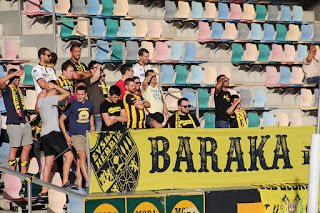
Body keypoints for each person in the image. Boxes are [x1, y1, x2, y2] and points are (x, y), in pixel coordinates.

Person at [37, 81, 77, 196]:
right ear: (53, 91)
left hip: (44, 135)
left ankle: (44, 190)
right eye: (56, 90)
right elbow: (67, 94)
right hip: (53, 133)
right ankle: (65, 181)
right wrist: (54, 86)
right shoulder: (50, 100)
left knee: (49, 163)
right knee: (69, 155)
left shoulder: (41, 101)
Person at [59, 86, 94, 188]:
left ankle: (79, 185)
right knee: (82, 154)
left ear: (86, 94)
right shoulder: (72, 105)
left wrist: (92, 129)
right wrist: (66, 135)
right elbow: (61, 120)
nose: (80, 97)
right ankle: (88, 180)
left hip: (87, 134)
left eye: (82, 94)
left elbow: (90, 116)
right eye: (78, 94)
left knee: (81, 160)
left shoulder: (90, 104)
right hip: (75, 135)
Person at [0, 69, 32, 173]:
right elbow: (0, 82)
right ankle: (12, 173)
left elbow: (23, 109)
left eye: (19, 77)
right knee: (14, 148)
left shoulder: (18, 90)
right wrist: (13, 73)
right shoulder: (7, 89)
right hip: (13, 123)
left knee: (27, 146)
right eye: (16, 78)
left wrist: (27, 122)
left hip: (23, 122)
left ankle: (23, 172)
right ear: (11, 78)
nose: (19, 79)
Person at [85, 61, 109, 132]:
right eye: (96, 67)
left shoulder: (101, 81)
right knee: (97, 131)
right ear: (91, 70)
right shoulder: (89, 80)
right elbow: (96, 76)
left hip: (104, 110)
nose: (99, 69)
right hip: (96, 110)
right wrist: (99, 67)